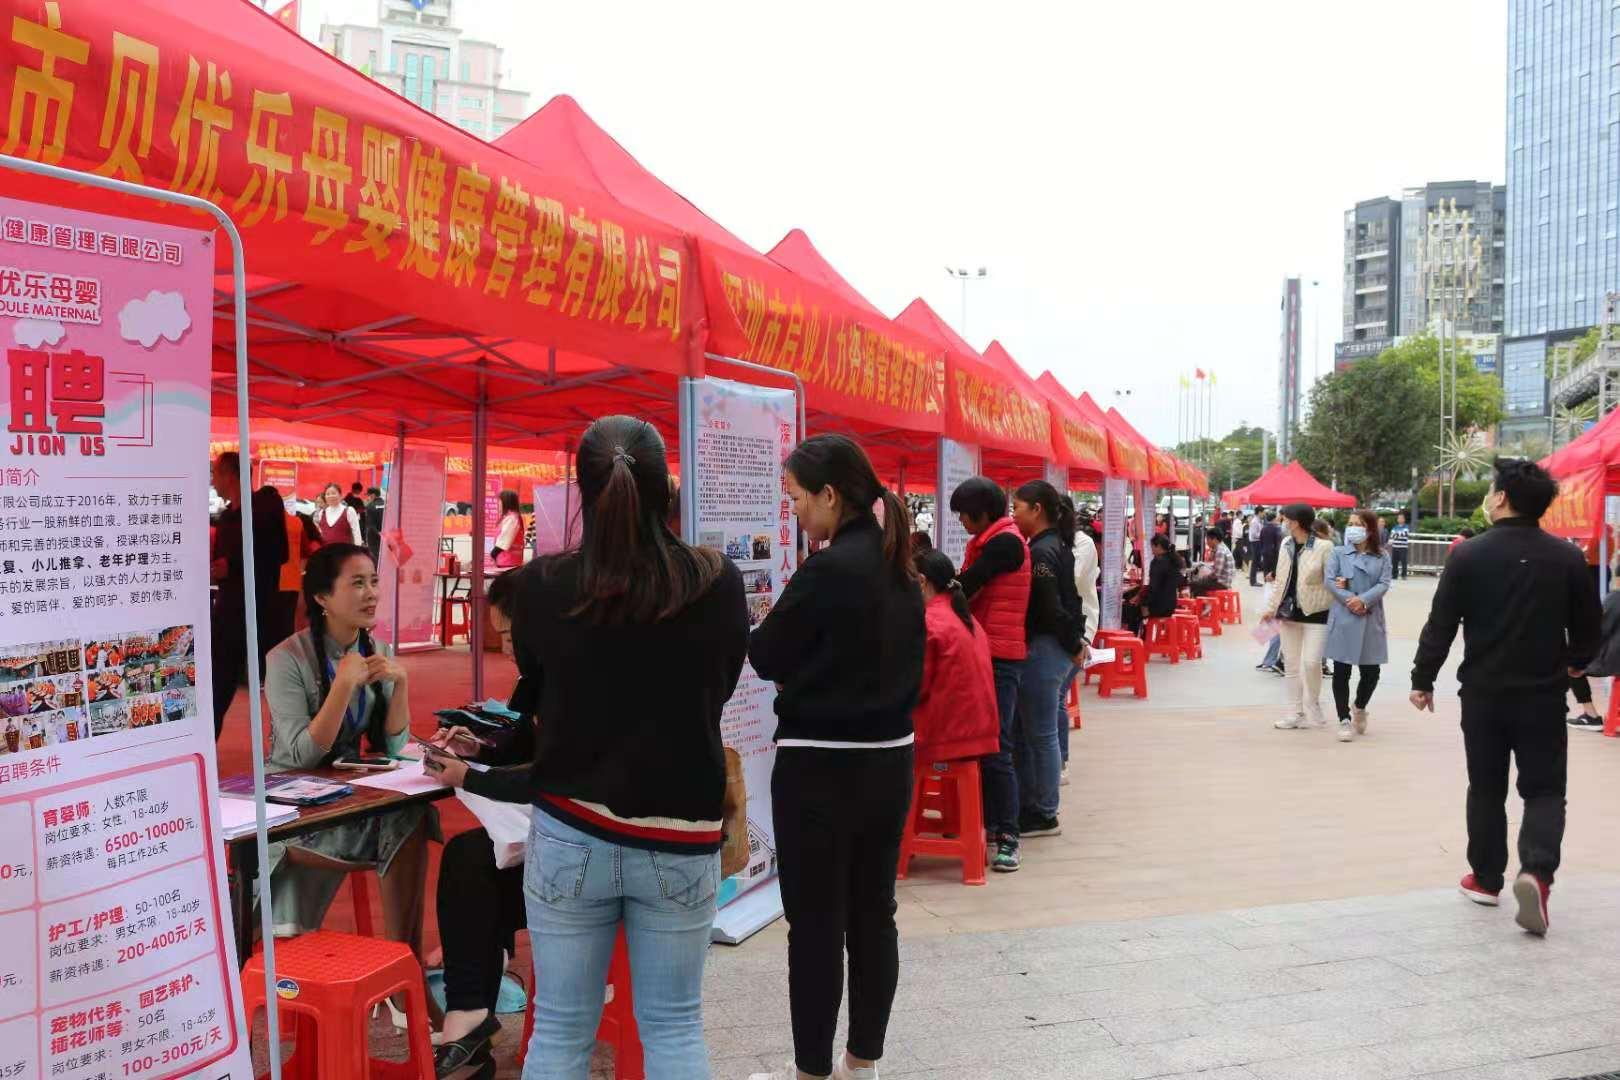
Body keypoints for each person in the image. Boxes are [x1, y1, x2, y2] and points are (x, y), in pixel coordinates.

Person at [430, 415, 748, 1079]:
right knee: (674, 1025)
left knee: (560, 1030)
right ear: (666, 490)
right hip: (680, 833)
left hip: (571, 831)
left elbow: (539, 699)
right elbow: (716, 691)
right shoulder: (716, 581)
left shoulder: (543, 586)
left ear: (581, 490)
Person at [749, 434, 923, 1080]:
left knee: (817, 926)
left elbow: (766, 653)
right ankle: (862, 1062)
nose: (793, 509)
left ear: (829, 495)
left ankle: (812, 1072)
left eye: (796, 497)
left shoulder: (827, 570)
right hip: (890, 762)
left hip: (819, 768)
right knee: (874, 915)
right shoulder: (900, 564)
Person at [1411, 458, 1599, 935]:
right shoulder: (1567, 558)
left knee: (1486, 788)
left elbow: (1441, 623)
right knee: (1544, 790)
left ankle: (1486, 879)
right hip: (1543, 695)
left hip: (1483, 694)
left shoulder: (1468, 555)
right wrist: (1577, 661)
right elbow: (1588, 626)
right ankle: (1536, 873)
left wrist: (1422, 678)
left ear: (1501, 497)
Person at [263, 543, 432, 952]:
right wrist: (342, 686)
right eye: (357, 583)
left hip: (344, 795)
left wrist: (401, 683)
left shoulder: (376, 651)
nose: (371, 593)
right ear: (322, 597)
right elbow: (302, 756)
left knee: (413, 813)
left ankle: (401, 956)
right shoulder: (286, 659)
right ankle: (403, 961)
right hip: (288, 807)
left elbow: (394, 747)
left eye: (373, 581)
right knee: (404, 821)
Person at [424, 569, 535, 1076]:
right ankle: (469, 1023)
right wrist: (478, 748)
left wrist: (470, 775)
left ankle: (468, 1022)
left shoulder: (574, 683)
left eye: (511, 635)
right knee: (471, 860)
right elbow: (523, 749)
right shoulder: (541, 681)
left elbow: (552, 773)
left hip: (600, 859)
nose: (505, 647)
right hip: (573, 841)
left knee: (472, 869)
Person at [949, 476, 1030, 873]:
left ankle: (1008, 835)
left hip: (1000, 656)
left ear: (982, 513)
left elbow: (968, 585)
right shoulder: (992, 540)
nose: (961, 522)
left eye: (964, 515)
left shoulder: (1005, 544)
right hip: (986, 651)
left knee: (997, 744)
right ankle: (987, 823)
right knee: (985, 742)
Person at [1010, 480, 1086, 839]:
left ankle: (1044, 812)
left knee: (1040, 734)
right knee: (1032, 732)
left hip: (1046, 648)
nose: (1014, 514)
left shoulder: (1041, 552)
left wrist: (1073, 643)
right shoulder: (1055, 545)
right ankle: (1034, 805)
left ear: (1036, 509)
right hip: (1054, 646)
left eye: (1017, 507)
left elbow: (1051, 607)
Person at [210, 453, 289, 738]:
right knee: (219, 682)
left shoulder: (265, 504)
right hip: (229, 610)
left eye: (215, 474)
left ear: (230, 474)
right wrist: (217, 570)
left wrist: (232, 565)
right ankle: (208, 741)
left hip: (259, 609)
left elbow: (277, 552)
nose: (213, 481)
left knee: (277, 683)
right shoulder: (226, 518)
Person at [910, 549, 1000, 766]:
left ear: (921, 581)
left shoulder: (930, 622)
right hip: (980, 734)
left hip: (944, 737)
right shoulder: (967, 619)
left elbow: (915, 687)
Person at [1325, 509, 1393, 743]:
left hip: (1370, 616)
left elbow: (1384, 583)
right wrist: (1350, 600)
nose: (1352, 528)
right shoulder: (1338, 552)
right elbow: (1330, 581)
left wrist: (1363, 600)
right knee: (1341, 670)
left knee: (1371, 672)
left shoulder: (1382, 556)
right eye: (1350, 523)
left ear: (1370, 529)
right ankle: (1343, 719)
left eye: (1358, 524)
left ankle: (1360, 706)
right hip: (1344, 616)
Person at [1265, 504, 1333, 731]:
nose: (1283, 522)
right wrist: (1271, 607)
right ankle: (1295, 712)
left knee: (1312, 662)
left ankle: (1313, 702)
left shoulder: (1324, 547)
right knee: (1291, 665)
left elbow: (1333, 579)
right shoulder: (1286, 544)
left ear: (1296, 522)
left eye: (1285, 519)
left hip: (1316, 612)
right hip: (1288, 613)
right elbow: (1280, 580)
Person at [1058, 500, 1099, 785]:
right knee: (1052, 697)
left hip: (1078, 630)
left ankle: (1059, 762)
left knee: (1055, 696)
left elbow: (1068, 580)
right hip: (1056, 629)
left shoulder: (1082, 543)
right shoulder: (1045, 542)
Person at [1567, 584, 1620, 729]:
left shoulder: (1615, 597)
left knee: (1571, 666)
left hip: (1614, 660)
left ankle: (1591, 716)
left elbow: (1599, 630)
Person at [1125, 532, 1180, 638]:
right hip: (1170, 605)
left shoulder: (1157, 562)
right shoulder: (1173, 560)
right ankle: (1144, 633)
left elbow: (1153, 588)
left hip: (1160, 606)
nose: (1151, 550)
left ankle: (1137, 639)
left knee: (1131, 609)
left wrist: (1141, 600)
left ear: (1158, 546)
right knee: (1139, 605)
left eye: (1152, 547)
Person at [314, 481, 365, 546]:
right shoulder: (321, 513)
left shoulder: (349, 511)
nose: (331, 496)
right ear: (325, 497)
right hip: (326, 550)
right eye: (328, 494)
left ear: (340, 495)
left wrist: (357, 550)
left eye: (333, 493)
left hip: (344, 551)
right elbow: (320, 533)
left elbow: (356, 533)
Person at [1189, 527, 1235, 597]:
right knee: (1199, 581)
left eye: (1208, 539)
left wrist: (1204, 578)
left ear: (1215, 539)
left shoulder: (1220, 551)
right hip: (1224, 580)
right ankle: (1203, 601)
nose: (1207, 543)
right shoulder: (1222, 547)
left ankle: (1202, 602)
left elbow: (1215, 575)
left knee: (1194, 583)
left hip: (1222, 583)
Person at [490, 489, 525, 568]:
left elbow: (505, 538)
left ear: (506, 502)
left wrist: (494, 553)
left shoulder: (512, 518)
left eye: (500, 501)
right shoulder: (510, 517)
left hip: (508, 561)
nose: (498, 504)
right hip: (508, 560)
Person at [1255, 510, 1282, 588]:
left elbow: (1261, 540)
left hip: (1265, 551)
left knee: (1266, 567)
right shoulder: (1276, 529)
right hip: (1273, 551)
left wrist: (1262, 549)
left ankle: (1266, 582)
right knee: (1273, 568)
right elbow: (1277, 541)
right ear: (1274, 519)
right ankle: (1273, 583)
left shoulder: (1263, 528)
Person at [363, 486, 385, 560]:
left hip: (375, 539)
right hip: (388, 537)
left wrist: (379, 535)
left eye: (368, 496)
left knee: (376, 560)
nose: (367, 498)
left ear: (372, 495)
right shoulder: (387, 504)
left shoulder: (370, 506)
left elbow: (371, 525)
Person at [1390, 511, 1412, 579]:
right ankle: (1394, 575)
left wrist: (1397, 534)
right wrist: (1399, 534)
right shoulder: (1394, 527)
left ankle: (1404, 575)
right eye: (1399, 518)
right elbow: (1392, 535)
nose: (1400, 519)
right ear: (1397, 519)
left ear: (1404, 519)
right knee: (1394, 562)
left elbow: (1405, 534)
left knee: (1403, 562)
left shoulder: (1406, 527)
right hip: (1395, 546)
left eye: (1402, 518)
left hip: (1403, 547)